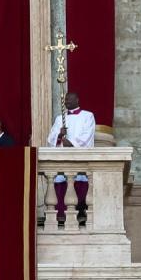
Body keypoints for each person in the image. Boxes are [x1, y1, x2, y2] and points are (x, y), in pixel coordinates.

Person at [46, 91, 98, 225]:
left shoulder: (87, 116)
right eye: (65, 100)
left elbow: (88, 135)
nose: (67, 102)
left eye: (70, 99)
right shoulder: (59, 118)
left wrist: (72, 142)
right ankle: (61, 214)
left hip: (79, 156)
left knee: (80, 180)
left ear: (77, 100)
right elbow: (51, 138)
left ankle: (80, 212)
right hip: (63, 156)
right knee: (60, 180)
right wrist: (59, 135)